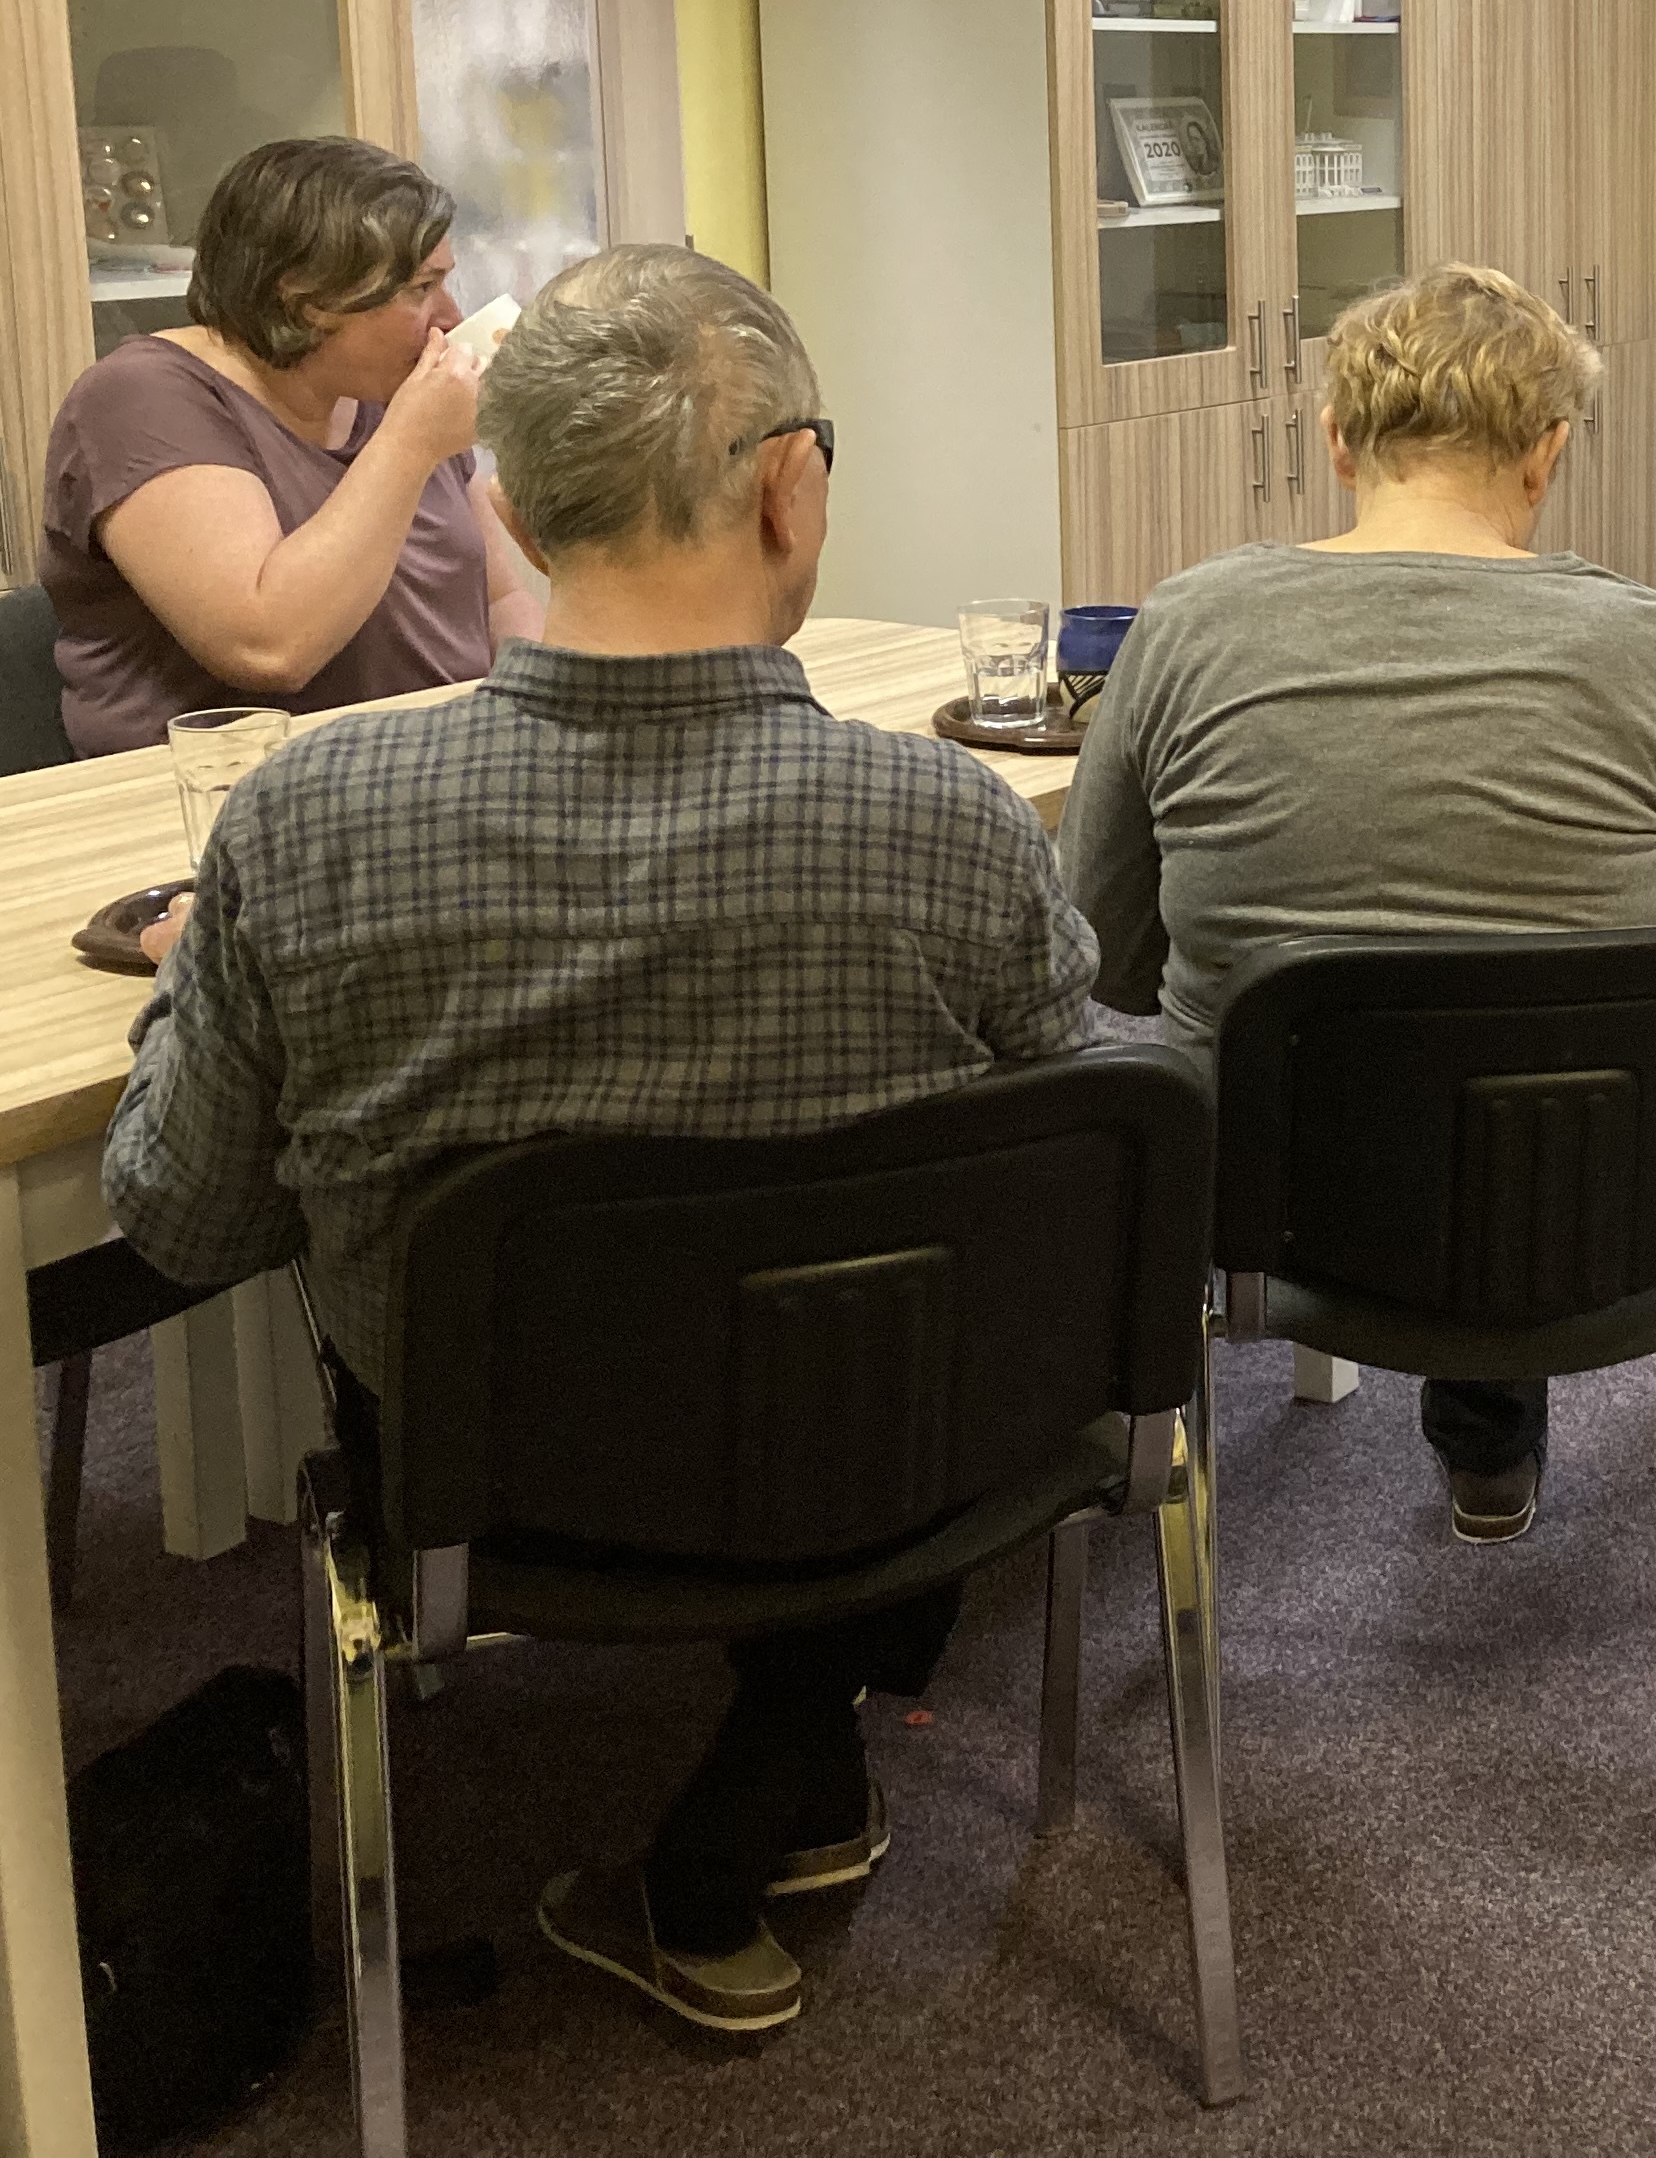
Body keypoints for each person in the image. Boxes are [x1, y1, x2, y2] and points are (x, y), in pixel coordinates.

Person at [99, 244, 1097, 2041]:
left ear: (504, 500)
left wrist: (194, 991)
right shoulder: (958, 825)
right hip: (900, 1455)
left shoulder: (301, 827)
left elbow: (183, 1220)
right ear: (791, 485)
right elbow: (1084, 1154)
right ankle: (789, 1748)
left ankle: (775, 1772)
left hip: (491, 1497)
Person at [1062, 261, 1656, 1546]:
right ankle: (1490, 1441)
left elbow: (1105, 956)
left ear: (1337, 439)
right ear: (1547, 453)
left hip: (1260, 1204)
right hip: (1587, 1203)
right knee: (1522, 1033)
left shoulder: (1181, 627)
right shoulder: (1653, 645)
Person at [39, 134, 540, 759]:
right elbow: (270, 648)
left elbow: (500, 601)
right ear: (305, 297)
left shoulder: (387, 384)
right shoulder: (142, 396)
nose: (449, 315)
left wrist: (539, 720)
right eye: (420, 288)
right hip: (228, 795)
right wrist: (411, 442)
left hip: (432, 770)